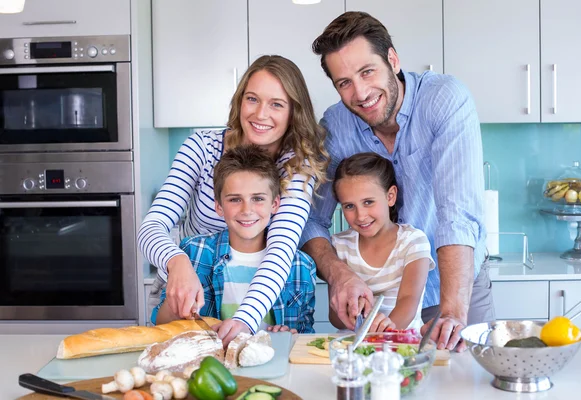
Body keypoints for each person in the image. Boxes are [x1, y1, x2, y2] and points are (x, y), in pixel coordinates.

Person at [301, 11, 494, 351]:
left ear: (392, 59)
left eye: (367, 71)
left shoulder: (444, 101)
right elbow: (310, 220)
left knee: (466, 383)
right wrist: (337, 274)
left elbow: (457, 213)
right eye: (344, 82)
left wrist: (452, 312)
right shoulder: (335, 127)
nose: (360, 93)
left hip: (455, 287)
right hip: (377, 309)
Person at [138, 55, 327, 345]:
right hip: (194, 289)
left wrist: (245, 320)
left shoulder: (298, 165)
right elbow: (152, 226)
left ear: (293, 113)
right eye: (252, 99)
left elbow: (280, 249)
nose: (261, 114)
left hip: (261, 301)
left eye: (276, 104)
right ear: (239, 101)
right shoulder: (201, 147)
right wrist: (176, 261)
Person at [152, 145, 316, 334]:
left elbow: (305, 333)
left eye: (258, 199)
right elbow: (160, 322)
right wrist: (181, 306)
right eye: (235, 200)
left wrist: (288, 337)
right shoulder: (194, 252)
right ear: (219, 206)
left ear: (275, 204)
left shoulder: (301, 267)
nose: (247, 210)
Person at [330, 153, 434, 332]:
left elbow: (408, 300)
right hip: (352, 350)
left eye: (368, 202)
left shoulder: (413, 242)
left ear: (391, 196)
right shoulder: (339, 246)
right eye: (349, 206)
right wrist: (352, 309)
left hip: (400, 345)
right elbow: (335, 319)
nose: (360, 215)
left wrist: (385, 333)